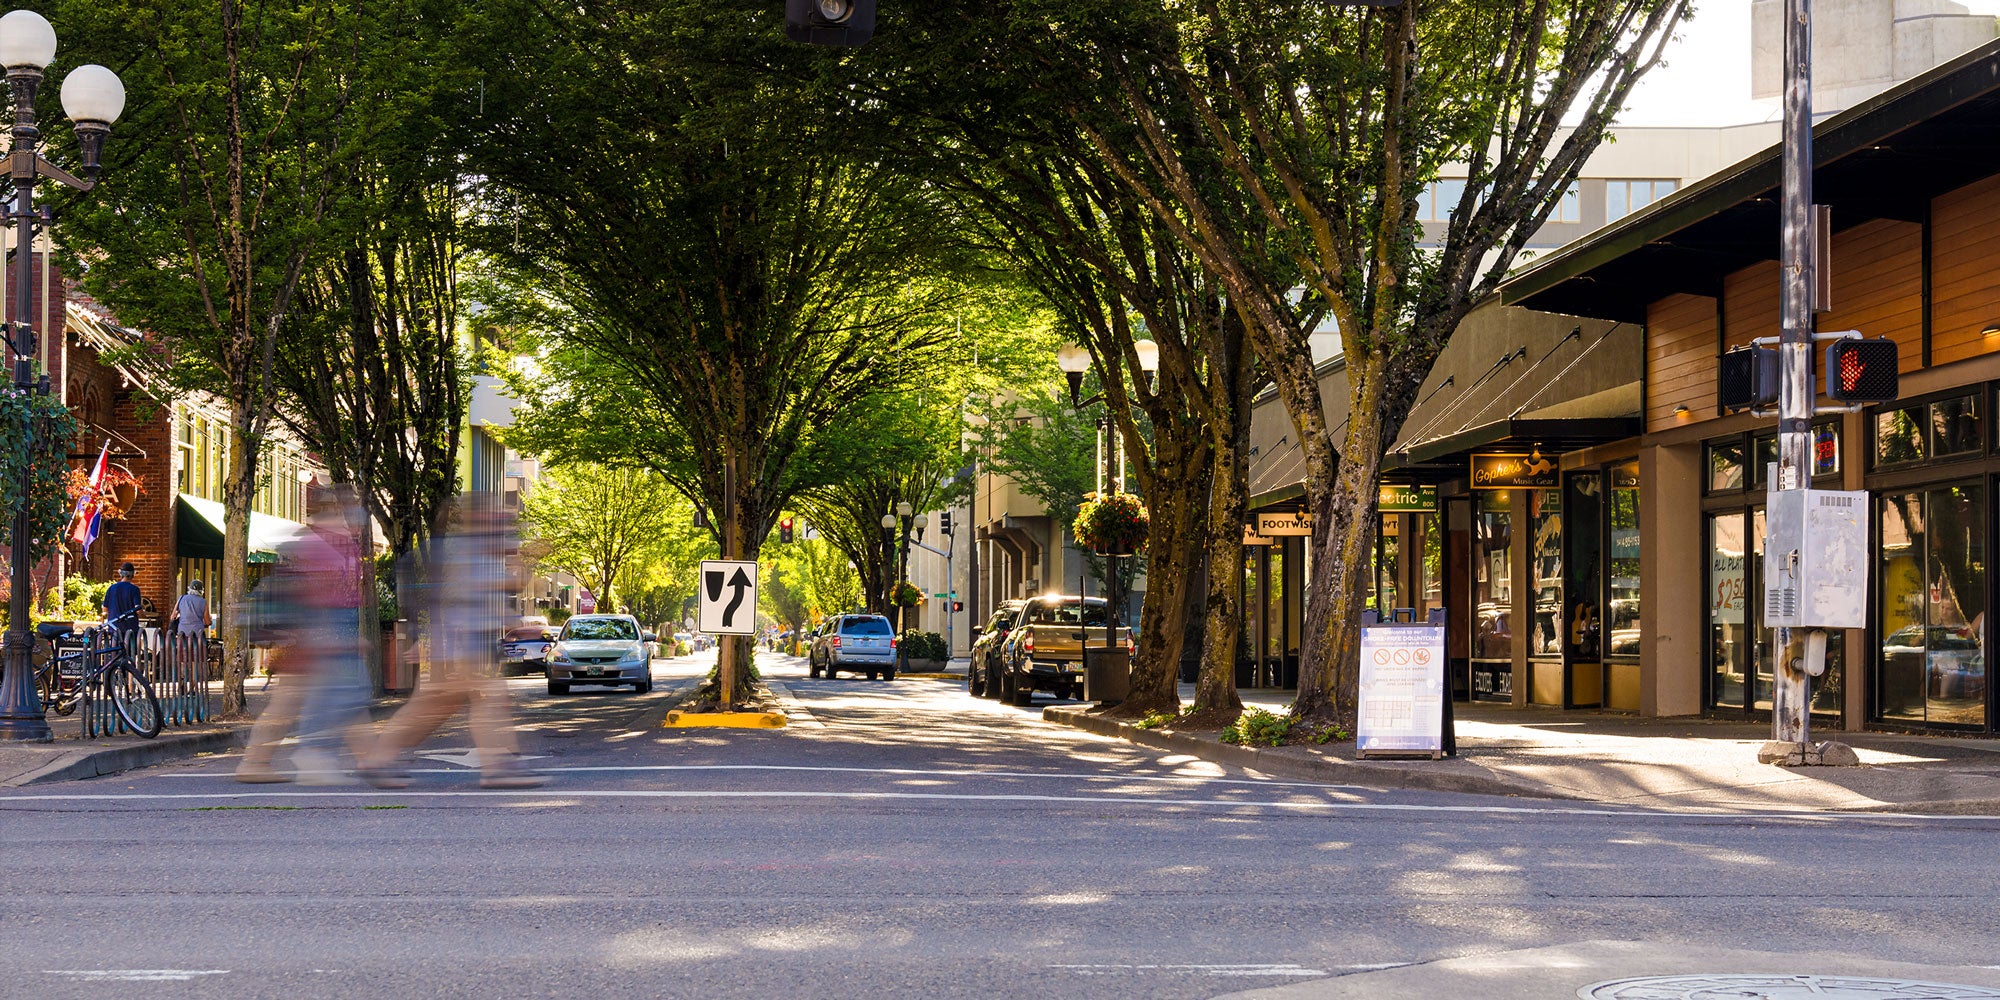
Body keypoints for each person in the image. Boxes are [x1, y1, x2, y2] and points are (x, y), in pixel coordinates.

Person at [360, 495, 543, 789]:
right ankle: (498, 766)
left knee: (427, 710)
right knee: (487, 697)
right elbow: (462, 599)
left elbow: (500, 589)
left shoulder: (476, 551)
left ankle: (378, 759)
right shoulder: (462, 551)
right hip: (454, 645)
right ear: (473, 518)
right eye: (493, 515)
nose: (500, 520)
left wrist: (519, 570)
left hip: (455, 646)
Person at [100, 562, 142, 641]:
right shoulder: (134, 589)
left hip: (114, 627)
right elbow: (138, 610)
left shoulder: (111, 588)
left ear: (121, 574)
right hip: (130, 628)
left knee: (114, 651)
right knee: (130, 652)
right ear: (132, 574)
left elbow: (105, 609)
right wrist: (144, 616)